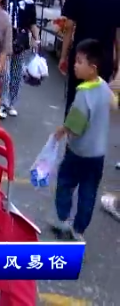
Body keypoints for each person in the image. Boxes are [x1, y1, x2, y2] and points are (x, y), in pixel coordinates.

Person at [52, 39, 116, 241]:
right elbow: (113, 105)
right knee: (88, 192)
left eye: (79, 62)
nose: (75, 64)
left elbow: (75, 129)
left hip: (78, 153)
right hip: (97, 155)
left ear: (92, 68)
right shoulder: (105, 87)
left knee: (65, 182)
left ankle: (63, 220)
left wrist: (62, 131)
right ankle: (79, 229)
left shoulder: (82, 95)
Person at [59, 0, 120, 116]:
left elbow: (68, 28)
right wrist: (117, 62)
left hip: (80, 60)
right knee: (97, 107)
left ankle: (72, 141)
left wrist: (64, 56)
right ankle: (93, 141)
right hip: (104, 61)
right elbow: (118, 32)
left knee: (75, 104)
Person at [0, 0, 40, 119]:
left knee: (16, 73)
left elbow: (32, 22)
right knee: (5, 73)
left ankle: (11, 103)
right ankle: (2, 102)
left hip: (21, 41)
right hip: (5, 39)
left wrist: (37, 38)